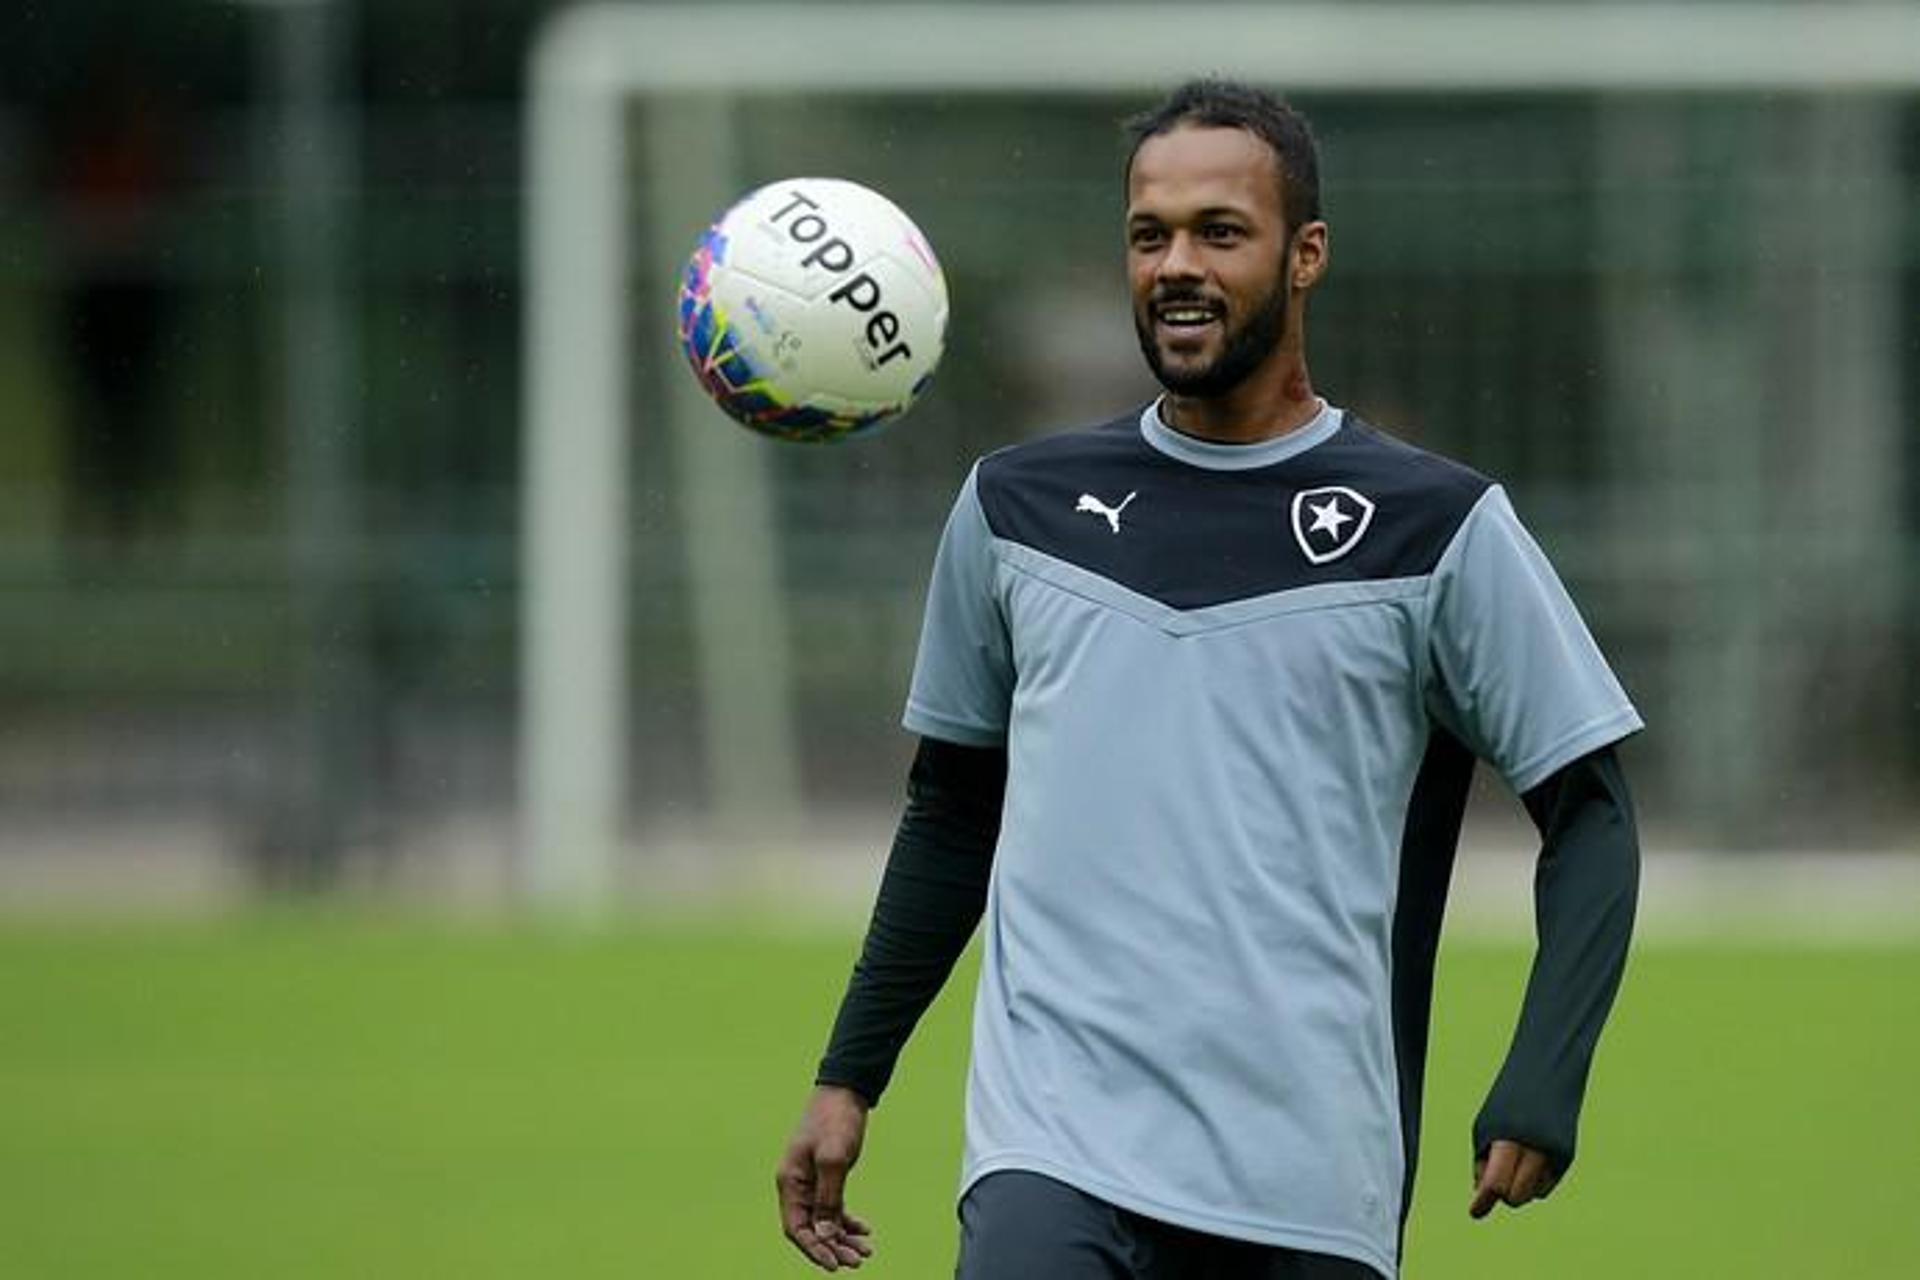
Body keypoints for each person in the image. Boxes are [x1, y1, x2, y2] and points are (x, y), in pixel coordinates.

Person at [776, 79, 1642, 1279]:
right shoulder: (1014, 509)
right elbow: (953, 809)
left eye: (1219, 232)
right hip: (1053, 1143)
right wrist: (847, 1073)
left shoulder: (1436, 528)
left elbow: (1591, 811)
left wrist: (1544, 1070)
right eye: (1150, 234)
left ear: (1306, 256)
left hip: (1310, 1176)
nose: (1177, 264)